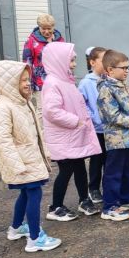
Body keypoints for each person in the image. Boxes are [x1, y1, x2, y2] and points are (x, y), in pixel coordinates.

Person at [0, 60, 61, 252]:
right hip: (22, 163)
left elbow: (36, 132)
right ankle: (35, 238)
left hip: (30, 159)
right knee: (34, 193)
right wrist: (17, 166)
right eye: (21, 81)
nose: (27, 83)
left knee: (26, 193)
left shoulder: (24, 102)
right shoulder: (2, 108)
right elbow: (2, 140)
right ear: (8, 84)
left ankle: (16, 228)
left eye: (28, 79)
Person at [41, 42, 102, 220]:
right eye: (71, 60)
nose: (74, 64)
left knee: (80, 168)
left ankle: (84, 200)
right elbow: (52, 111)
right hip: (64, 137)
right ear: (59, 60)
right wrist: (76, 121)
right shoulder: (52, 83)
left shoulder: (65, 80)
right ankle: (55, 207)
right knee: (66, 171)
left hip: (73, 136)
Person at [97, 49, 129, 221]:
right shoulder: (106, 89)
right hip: (116, 139)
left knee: (128, 169)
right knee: (114, 172)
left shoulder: (124, 84)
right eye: (123, 68)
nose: (127, 71)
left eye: (128, 67)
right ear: (110, 70)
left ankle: (126, 199)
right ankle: (110, 206)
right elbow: (112, 116)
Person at [78, 46, 107, 206]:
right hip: (96, 129)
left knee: (109, 160)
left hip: (110, 128)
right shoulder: (85, 83)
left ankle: (108, 187)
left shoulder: (108, 79)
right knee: (96, 160)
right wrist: (93, 117)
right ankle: (94, 188)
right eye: (103, 60)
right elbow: (81, 104)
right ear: (92, 62)